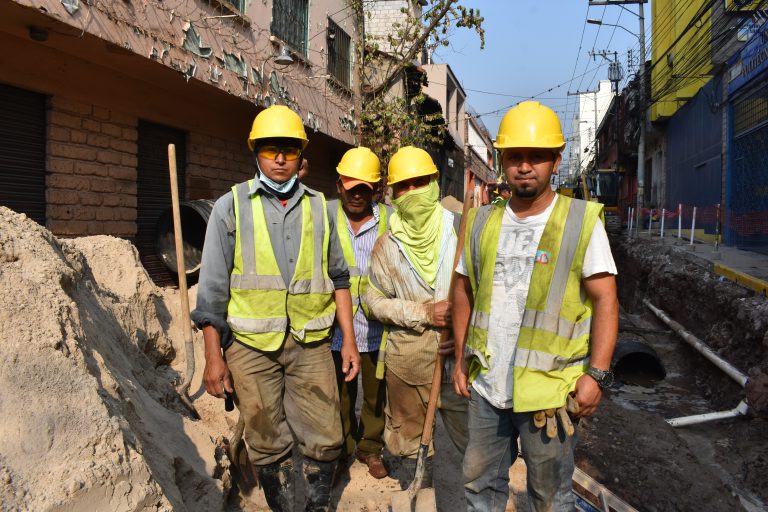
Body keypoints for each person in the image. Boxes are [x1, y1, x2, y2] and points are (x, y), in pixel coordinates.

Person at [191, 105, 361, 512]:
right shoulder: (231, 206)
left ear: (301, 154)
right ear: (256, 152)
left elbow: (339, 278)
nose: (280, 159)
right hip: (250, 347)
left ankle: (317, 505)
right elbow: (211, 291)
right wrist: (213, 357)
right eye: (271, 149)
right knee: (266, 440)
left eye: (289, 150)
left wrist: (350, 342)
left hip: (310, 343)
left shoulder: (320, 207)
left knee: (327, 438)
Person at [452, 101, 619, 511]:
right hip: (488, 386)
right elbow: (462, 290)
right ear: (501, 161)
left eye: (536, 157)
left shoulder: (580, 221)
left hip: (551, 392)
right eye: (515, 157)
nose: (525, 166)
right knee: (479, 488)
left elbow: (606, 300)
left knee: (550, 498)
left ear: (556, 162)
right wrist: (460, 359)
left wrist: (597, 375)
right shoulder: (481, 221)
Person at [365, 146, 468, 488]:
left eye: (419, 183)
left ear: (434, 184)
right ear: (393, 194)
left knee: (471, 442)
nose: (411, 193)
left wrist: (462, 323)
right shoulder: (387, 245)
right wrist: (423, 312)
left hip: (459, 360)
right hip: (408, 363)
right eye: (403, 187)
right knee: (410, 446)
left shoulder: (460, 229)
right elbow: (374, 302)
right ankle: (418, 491)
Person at [328, 147, 390, 479]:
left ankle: (370, 447)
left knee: (375, 395)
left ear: (376, 189)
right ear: (339, 185)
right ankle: (343, 447)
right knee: (340, 394)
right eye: (351, 188)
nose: (356, 195)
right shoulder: (325, 216)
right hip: (336, 327)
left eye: (364, 188)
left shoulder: (390, 220)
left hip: (376, 325)